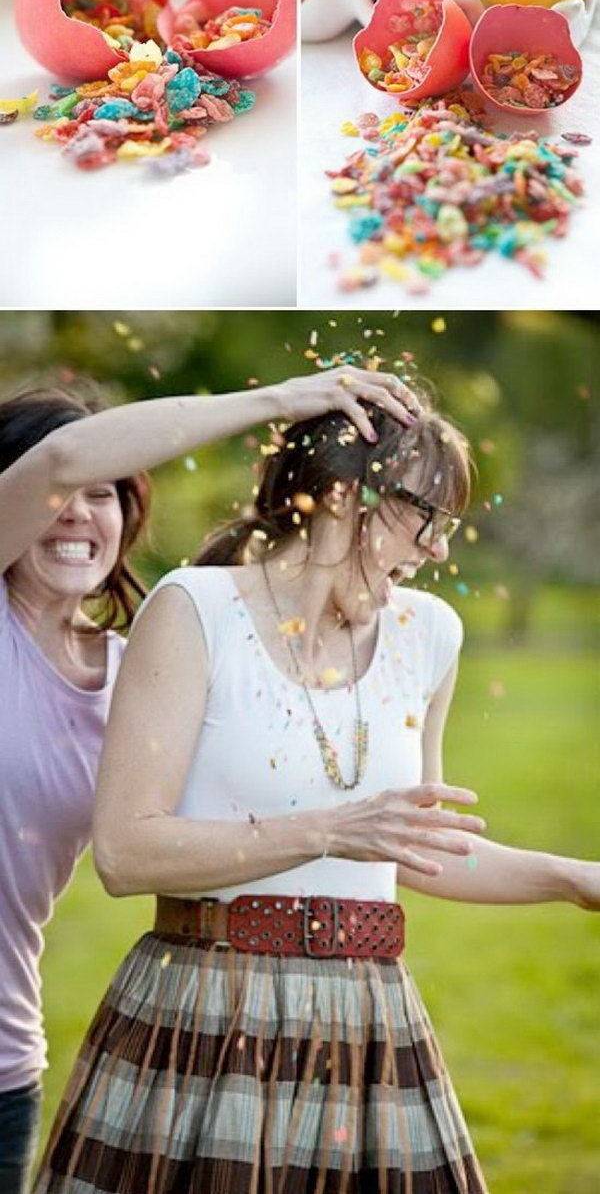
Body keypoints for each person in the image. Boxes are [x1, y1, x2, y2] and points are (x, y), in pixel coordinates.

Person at [34, 395, 598, 1194]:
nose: (438, 549)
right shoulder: (194, 609)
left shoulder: (431, 633)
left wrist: (575, 878)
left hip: (370, 1027)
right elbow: (126, 852)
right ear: (346, 497)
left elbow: (416, 848)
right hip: (205, 1015)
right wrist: (332, 829)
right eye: (427, 517)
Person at [0, 365, 418, 1194]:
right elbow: (58, 461)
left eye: (107, 494)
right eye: (63, 492)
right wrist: (281, 400)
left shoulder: (136, 673)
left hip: (5, 1062)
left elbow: (242, 823)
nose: (79, 510)